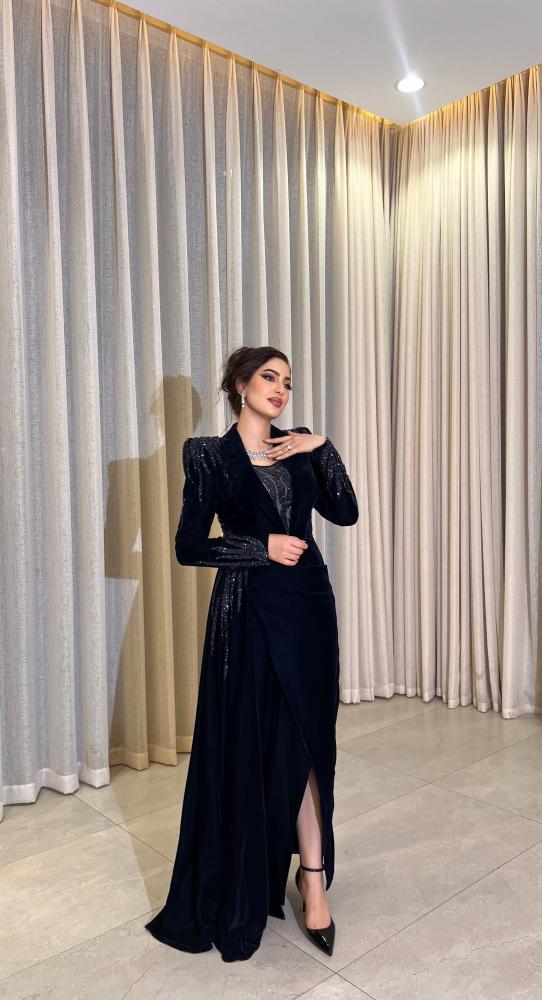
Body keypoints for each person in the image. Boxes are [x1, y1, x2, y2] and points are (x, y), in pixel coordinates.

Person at [145, 346, 358, 962]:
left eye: (287, 381)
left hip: (308, 609)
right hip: (246, 615)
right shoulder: (207, 455)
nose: (281, 389)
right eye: (269, 377)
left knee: (309, 745)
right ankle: (246, 871)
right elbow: (188, 546)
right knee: (253, 745)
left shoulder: (299, 446)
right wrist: (258, 546)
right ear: (239, 385)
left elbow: (345, 512)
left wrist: (323, 447)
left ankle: (312, 879)